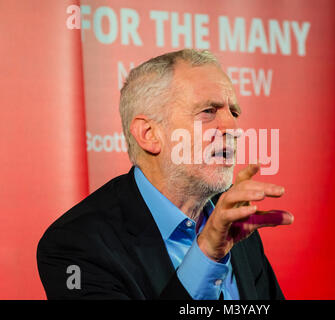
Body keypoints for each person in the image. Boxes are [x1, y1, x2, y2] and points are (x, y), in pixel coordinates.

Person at [37, 49, 293, 300]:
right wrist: (206, 255)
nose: (233, 128)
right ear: (149, 134)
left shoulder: (232, 219)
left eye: (233, 112)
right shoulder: (76, 245)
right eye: (208, 112)